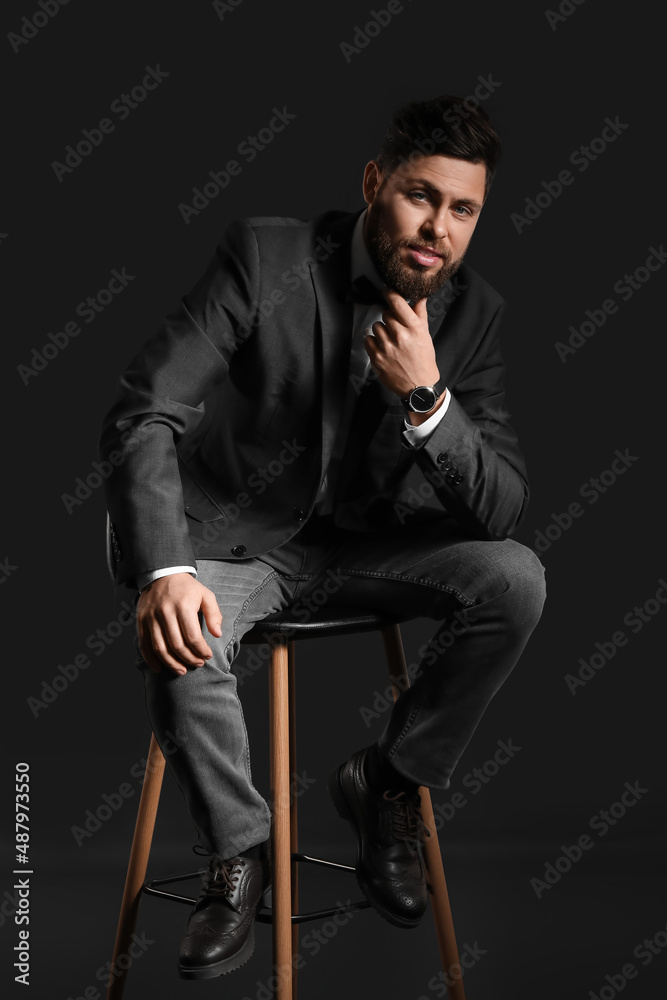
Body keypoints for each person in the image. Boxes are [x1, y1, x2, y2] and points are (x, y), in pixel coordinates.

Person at [100, 93, 546, 981]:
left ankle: (386, 784)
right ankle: (238, 852)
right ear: (376, 183)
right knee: (187, 637)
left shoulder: (472, 315)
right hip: (235, 541)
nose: (439, 229)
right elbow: (143, 413)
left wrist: (428, 400)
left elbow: (500, 511)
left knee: (515, 579)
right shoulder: (265, 256)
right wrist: (165, 565)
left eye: (463, 211)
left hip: (369, 553)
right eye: (422, 197)